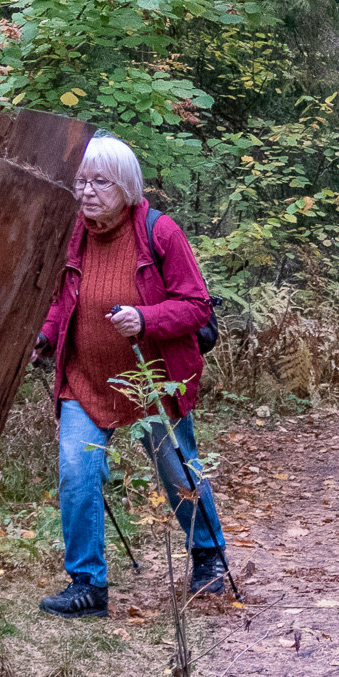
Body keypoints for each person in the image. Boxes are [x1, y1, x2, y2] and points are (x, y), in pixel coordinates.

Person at [32, 134, 230, 618]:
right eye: (81, 181)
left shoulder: (160, 233)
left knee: (176, 471)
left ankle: (208, 559)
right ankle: (87, 585)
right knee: (77, 472)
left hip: (152, 380)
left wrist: (145, 319)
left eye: (100, 181)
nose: (87, 191)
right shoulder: (72, 233)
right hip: (86, 378)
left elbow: (195, 305)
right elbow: (64, 302)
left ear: (126, 187)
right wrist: (44, 336)